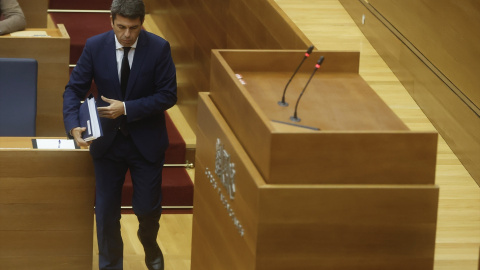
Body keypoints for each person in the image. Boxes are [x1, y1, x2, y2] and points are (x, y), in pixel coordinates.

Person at [62, 0, 177, 269]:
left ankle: (148, 242)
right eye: (121, 27)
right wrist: (72, 124)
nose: (127, 35)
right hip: (106, 143)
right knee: (105, 213)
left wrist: (126, 108)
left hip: (145, 142)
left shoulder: (159, 48)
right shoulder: (94, 46)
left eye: (134, 28)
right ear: (111, 21)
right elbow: (73, 90)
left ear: (142, 23)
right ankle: (111, 265)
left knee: (147, 210)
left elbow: (168, 95)